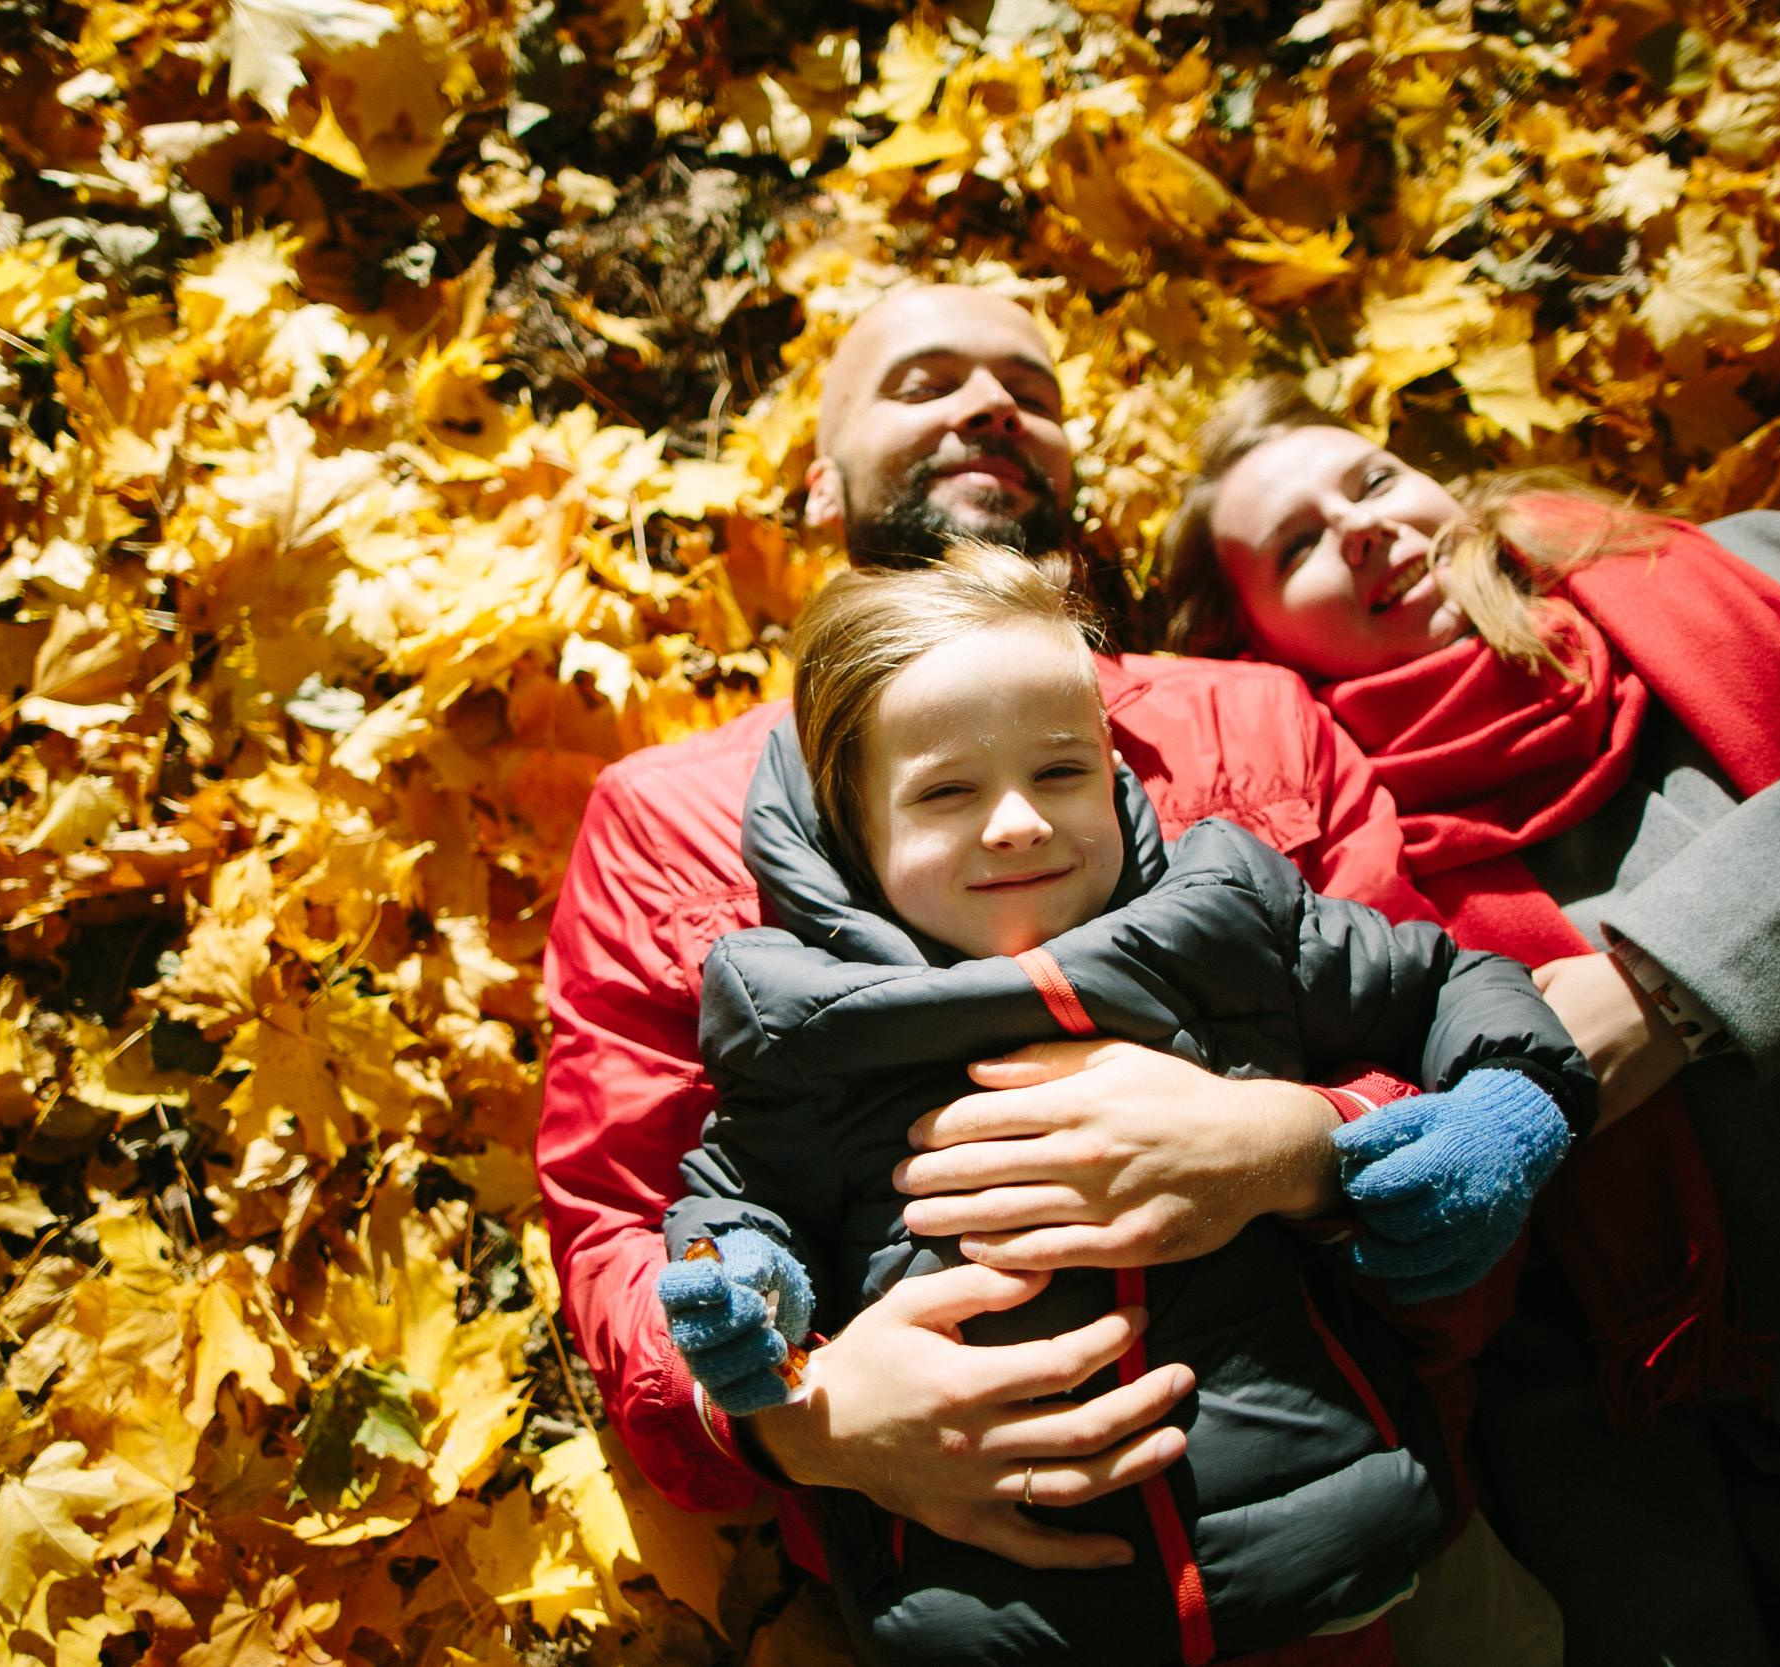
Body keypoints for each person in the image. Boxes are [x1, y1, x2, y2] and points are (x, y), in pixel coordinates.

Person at [535, 288, 1537, 1602]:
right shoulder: (670, 814)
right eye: (923, 381)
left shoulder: (1254, 723)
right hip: (965, 1597)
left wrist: (1298, 1149)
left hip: (1361, 1539)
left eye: (1029, 386)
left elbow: (1448, 1065)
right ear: (818, 483)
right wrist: (803, 1416)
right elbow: (622, 1218)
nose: (987, 404)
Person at [1155, 375, 1780, 1664]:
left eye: (1366, 480)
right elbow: (1540, 1348)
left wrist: (1666, 983)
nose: (1355, 526)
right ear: (1250, 647)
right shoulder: (1351, 898)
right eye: (1295, 544)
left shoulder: (1748, 571)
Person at [654, 545, 1594, 1664]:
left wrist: (1503, 1106)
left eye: (1060, 772)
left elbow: (1449, 980)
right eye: (948, 791)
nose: (1017, 821)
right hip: (1009, 1612)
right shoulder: (799, 1022)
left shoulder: (1224, 920)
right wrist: (743, 1290)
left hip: (1342, 1537)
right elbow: (731, 1193)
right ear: (852, 834)